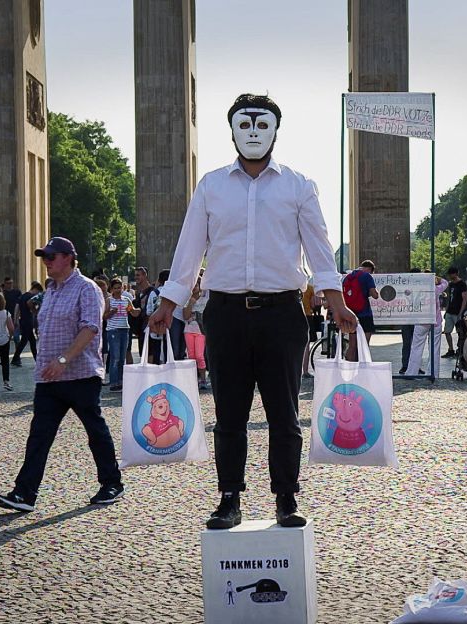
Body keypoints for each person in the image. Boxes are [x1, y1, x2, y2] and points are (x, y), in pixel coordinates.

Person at [148, 93, 357, 529]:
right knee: (229, 414)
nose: (255, 134)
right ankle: (229, 498)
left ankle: (286, 497)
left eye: (263, 126)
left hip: (282, 313)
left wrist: (337, 303)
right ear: (232, 130)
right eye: (246, 126)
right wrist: (169, 302)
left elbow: (320, 249)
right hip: (224, 314)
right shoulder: (211, 185)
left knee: (284, 413)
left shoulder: (299, 186)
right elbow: (190, 248)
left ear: (277, 130)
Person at [0, 236, 124, 512]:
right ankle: (24, 493)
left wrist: (64, 359)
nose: (46, 263)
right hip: (49, 377)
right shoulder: (50, 290)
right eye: (44, 257)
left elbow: (90, 328)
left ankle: (112, 483)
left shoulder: (87, 288)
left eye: (50, 257)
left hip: (80, 374)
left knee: (94, 430)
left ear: (68, 258)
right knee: (39, 435)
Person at [408, 272, 447, 378]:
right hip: (436, 321)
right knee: (435, 348)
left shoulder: (417, 289)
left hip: (421, 321)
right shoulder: (436, 289)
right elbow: (445, 282)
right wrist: (437, 278)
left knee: (416, 347)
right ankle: (433, 373)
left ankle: (412, 372)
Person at [103, 278, 135, 392]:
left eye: (119, 287)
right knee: (115, 357)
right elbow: (104, 316)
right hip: (113, 330)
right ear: (111, 289)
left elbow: (132, 312)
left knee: (122, 357)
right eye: (115, 288)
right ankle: (113, 382)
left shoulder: (126, 299)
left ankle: (121, 381)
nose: (117, 290)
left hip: (124, 329)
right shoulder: (109, 300)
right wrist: (111, 312)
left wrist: (137, 311)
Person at [343, 259, 378, 362]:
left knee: (352, 345)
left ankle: (349, 369)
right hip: (365, 314)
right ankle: (362, 371)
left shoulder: (348, 277)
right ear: (370, 269)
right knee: (364, 345)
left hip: (351, 314)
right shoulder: (367, 276)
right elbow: (374, 295)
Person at [183, 277, 210, 390]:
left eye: (196, 285)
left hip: (200, 331)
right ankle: (194, 379)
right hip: (189, 330)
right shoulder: (187, 299)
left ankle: (203, 379)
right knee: (191, 356)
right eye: (193, 285)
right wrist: (191, 302)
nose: (194, 288)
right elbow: (185, 315)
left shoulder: (204, 299)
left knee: (199, 356)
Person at [12, 281, 42, 366]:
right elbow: (33, 306)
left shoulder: (23, 296)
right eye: (38, 292)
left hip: (23, 320)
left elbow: (17, 307)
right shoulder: (31, 297)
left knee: (26, 340)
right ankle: (36, 359)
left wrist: (16, 319)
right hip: (28, 320)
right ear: (36, 289)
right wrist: (35, 311)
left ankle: (15, 358)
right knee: (30, 341)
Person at [441, 267, 467, 358]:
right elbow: (450, 298)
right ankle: (451, 349)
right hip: (450, 311)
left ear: (456, 274)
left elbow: (464, 299)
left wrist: (461, 312)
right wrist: (446, 310)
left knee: (460, 332)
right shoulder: (451, 284)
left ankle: (460, 350)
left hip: (458, 312)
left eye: (451, 274)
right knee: (447, 331)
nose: (450, 276)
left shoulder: (462, 284)